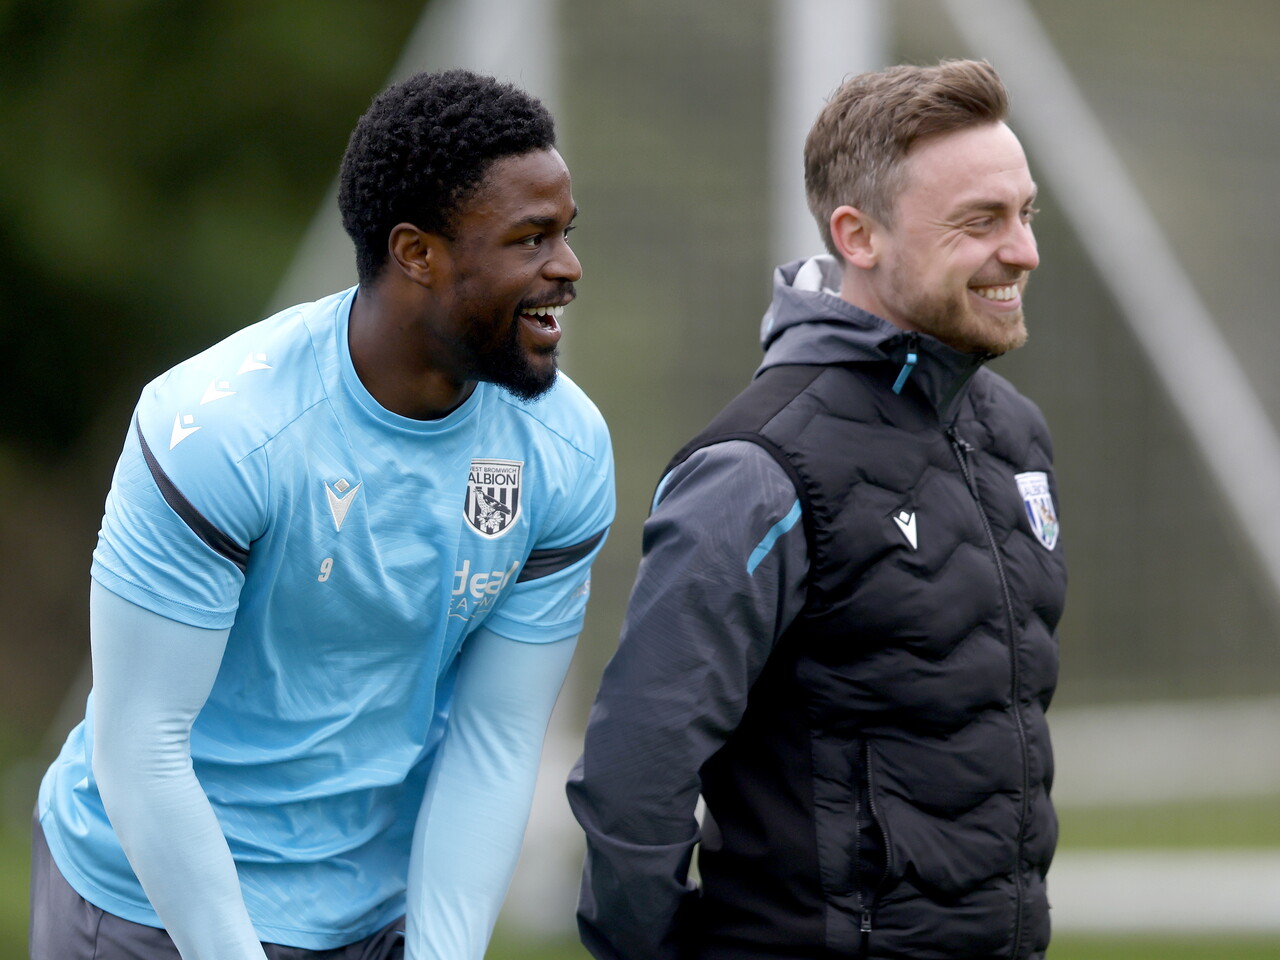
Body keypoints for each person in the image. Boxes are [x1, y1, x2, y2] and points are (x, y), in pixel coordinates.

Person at [31, 69, 614, 960]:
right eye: (530, 239)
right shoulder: (220, 432)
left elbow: (495, 741)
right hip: (149, 904)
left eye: (566, 234)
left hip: (370, 920)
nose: (567, 268)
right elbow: (141, 750)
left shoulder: (564, 451)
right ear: (416, 253)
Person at [567, 59, 1067, 960]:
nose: (1024, 250)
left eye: (1026, 213)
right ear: (858, 235)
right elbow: (634, 778)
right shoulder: (754, 472)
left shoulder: (1015, 436)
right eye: (981, 222)